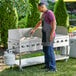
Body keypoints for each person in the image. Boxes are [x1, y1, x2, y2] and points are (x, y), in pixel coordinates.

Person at [30, 2, 57, 72]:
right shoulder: (43, 14)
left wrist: (52, 34)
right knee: (45, 50)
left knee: (49, 51)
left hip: (49, 34)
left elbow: (54, 23)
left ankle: (52, 67)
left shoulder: (50, 13)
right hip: (45, 34)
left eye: (39, 9)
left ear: (42, 7)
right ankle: (47, 65)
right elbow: (39, 22)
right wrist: (34, 29)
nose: (39, 10)